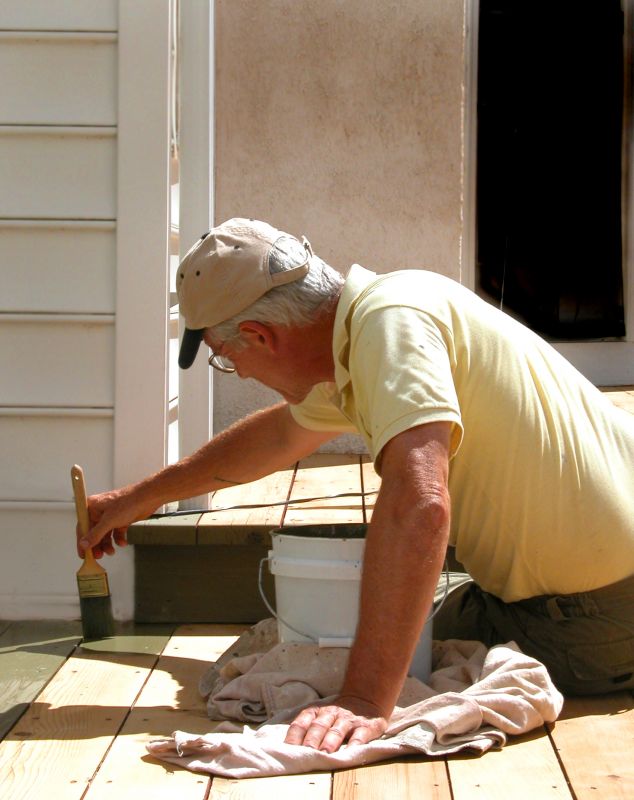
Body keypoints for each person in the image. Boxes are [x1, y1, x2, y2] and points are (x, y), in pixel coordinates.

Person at [79, 217, 634, 753]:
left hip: (593, 620)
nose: (241, 374)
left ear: (259, 335)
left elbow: (420, 509)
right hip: (586, 595)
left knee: (357, 649)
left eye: (226, 360)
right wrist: (135, 501)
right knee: (366, 627)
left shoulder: (389, 328)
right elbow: (274, 440)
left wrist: (364, 700)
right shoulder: (378, 319)